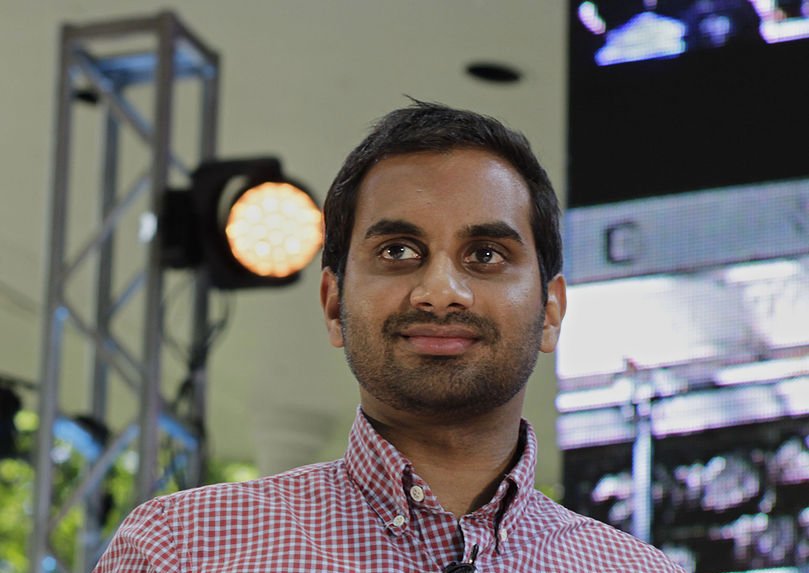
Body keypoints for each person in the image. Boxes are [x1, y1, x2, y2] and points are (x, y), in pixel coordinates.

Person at [94, 101, 685, 572]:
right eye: (398, 252)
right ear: (333, 304)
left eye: (485, 254)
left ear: (551, 311)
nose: (440, 291)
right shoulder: (184, 549)